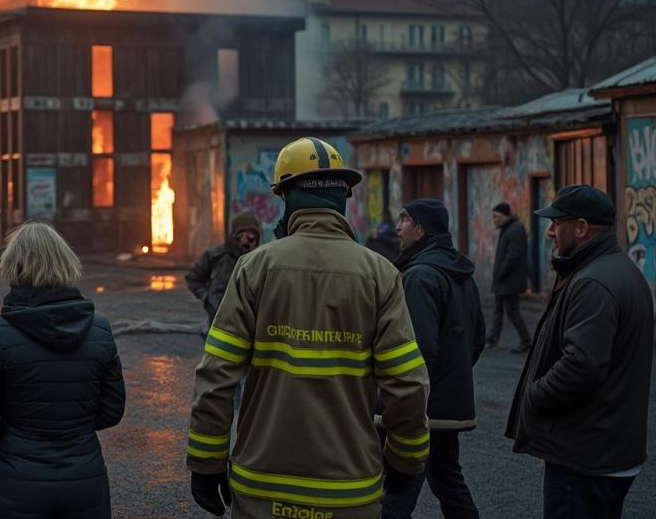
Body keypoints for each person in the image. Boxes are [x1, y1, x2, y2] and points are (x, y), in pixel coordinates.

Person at [187, 137, 430, 519]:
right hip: (349, 493)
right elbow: (408, 384)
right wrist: (405, 460)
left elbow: (216, 375)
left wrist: (205, 463)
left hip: (261, 490)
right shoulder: (380, 273)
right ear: (343, 198)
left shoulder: (255, 268)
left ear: (285, 197)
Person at [505, 185, 653, 519]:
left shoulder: (592, 282)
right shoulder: (620, 270)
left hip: (584, 458)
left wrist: (534, 394)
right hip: (608, 452)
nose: (550, 232)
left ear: (582, 228)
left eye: (557, 223)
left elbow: (581, 366)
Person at [0, 222, 125, 519]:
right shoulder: (100, 328)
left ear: (14, 265)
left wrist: (16, 438)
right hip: (85, 480)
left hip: (13, 482)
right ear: (65, 262)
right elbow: (112, 411)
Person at [384, 199, 485, 519]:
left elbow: (415, 348)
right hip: (449, 408)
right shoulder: (460, 273)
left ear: (421, 229)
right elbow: (478, 339)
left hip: (422, 410)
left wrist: (396, 399)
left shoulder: (420, 276)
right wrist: (451, 377)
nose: (398, 227)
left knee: (397, 494)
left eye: (404, 220)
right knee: (448, 482)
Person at [186, 210, 261, 326]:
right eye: (241, 236)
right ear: (234, 235)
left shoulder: (262, 258)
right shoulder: (216, 255)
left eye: (251, 237)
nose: (245, 242)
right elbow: (193, 278)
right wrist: (207, 298)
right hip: (219, 321)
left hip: (250, 323)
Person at [489, 203, 532, 352]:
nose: (494, 220)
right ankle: (492, 339)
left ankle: (526, 340)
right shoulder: (508, 228)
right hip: (504, 279)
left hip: (509, 280)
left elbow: (514, 255)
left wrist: (501, 273)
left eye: (496, 216)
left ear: (504, 215)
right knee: (498, 310)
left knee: (512, 310)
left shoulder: (515, 229)